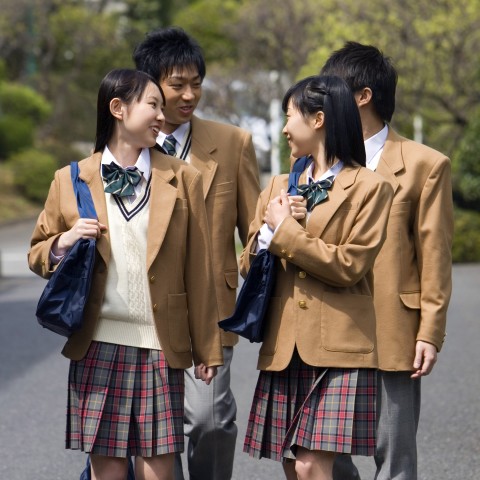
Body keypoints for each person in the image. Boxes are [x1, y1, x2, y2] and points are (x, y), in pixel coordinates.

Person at [28, 68, 223, 480]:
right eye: (152, 104)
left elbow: (200, 269)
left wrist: (208, 347)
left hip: (160, 346)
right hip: (97, 345)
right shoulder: (72, 178)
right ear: (118, 108)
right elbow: (38, 252)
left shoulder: (183, 178)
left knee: (159, 472)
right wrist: (63, 242)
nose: (160, 114)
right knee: (108, 474)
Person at [241, 74, 394, 480]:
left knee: (311, 465)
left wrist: (287, 233)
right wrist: (270, 233)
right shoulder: (276, 186)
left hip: (341, 346)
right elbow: (247, 264)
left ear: (319, 119)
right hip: (285, 344)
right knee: (295, 464)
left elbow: (349, 266)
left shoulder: (370, 188)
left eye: (290, 116)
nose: (285, 127)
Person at [320, 42, 454, 480]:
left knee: (394, 458)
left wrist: (430, 331)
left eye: (332, 89)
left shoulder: (424, 165)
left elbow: (435, 253)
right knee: (323, 453)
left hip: (393, 327)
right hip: (332, 325)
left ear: (362, 96)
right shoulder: (317, 162)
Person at [133, 27, 261, 480]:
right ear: (150, 86)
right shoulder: (129, 146)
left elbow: (253, 234)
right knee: (149, 431)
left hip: (212, 310)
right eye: (177, 85)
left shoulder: (232, 143)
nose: (190, 95)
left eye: (196, 83)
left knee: (212, 420)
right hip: (143, 311)